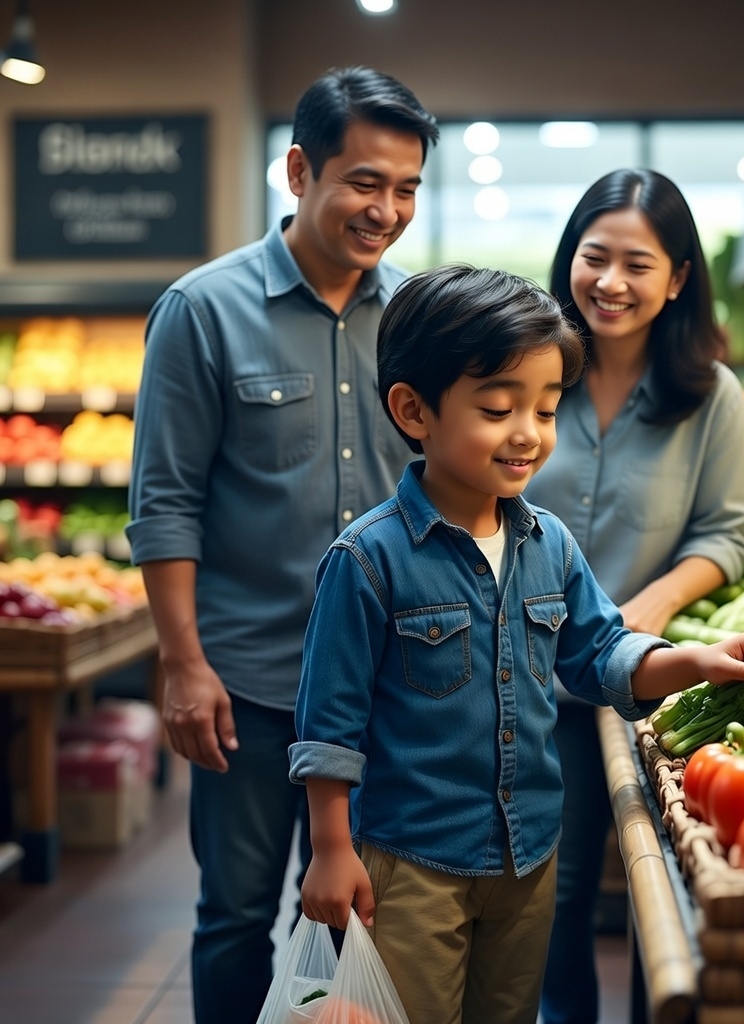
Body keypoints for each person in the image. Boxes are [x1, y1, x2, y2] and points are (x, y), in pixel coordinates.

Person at [288, 263, 744, 1024]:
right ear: (413, 410)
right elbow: (328, 725)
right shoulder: (368, 560)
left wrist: (696, 660)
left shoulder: (546, 542)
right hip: (412, 860)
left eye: (547, 409)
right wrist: (332, 850)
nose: (528, 433)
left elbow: (598, 653)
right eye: (497, 408)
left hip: (528, 858)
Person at [126, 66, 438, 1024]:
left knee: (364, 916)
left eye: (407, 190)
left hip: (391, 682)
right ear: (300, 171)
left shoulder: (421, 323)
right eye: (365, 182)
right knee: (234, 917)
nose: (385, 210)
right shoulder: (203, 311)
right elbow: (165, 501)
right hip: (251, 687)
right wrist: (183, 664)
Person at [525, 168, 744, 1024]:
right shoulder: (529, 369)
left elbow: (726, 535)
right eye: (594, 257)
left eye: (637, 264)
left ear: (679, 278)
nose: (610, 283)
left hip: (634, 679)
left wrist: (653, 605)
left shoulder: (711, 398)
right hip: (508, 672)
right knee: (542, 894)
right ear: (569, 259)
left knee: (589, 890)